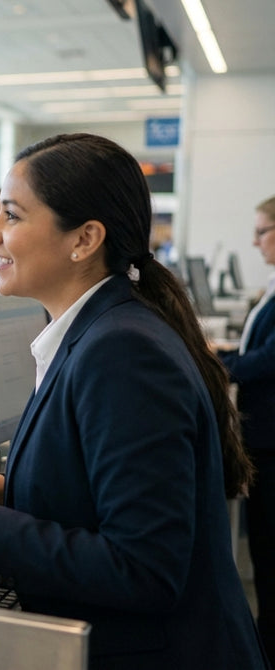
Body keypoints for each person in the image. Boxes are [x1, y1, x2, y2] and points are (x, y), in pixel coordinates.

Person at [0, 134, 266, 668]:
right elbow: (106, 498)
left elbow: (144, 568)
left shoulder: (122, 353)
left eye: (11, 216)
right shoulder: (105, 329)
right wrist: (0, 489)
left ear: (84, 239)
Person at [218, 195, 275, 656]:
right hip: (263, 436)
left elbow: (271, 359)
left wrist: (223, 361)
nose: (255, 241)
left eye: (262, 231)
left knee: (270, 552)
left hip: (271, 440)